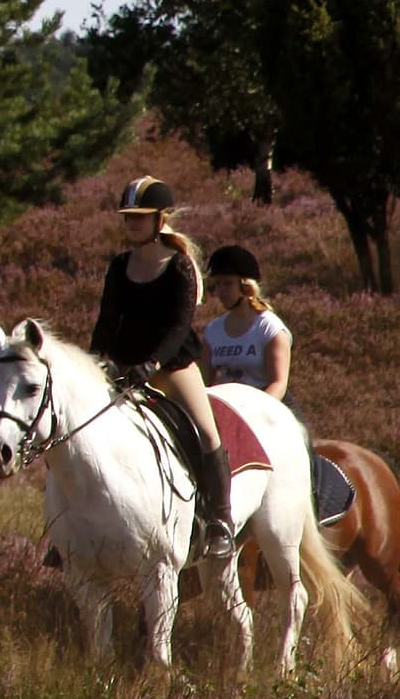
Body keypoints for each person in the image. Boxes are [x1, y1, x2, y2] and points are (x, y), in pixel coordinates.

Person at [91, 175, 232, 562]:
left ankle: (220, 521)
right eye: (128, 217)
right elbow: (106, 321)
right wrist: (96, 358)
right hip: (123, 367)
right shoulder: (120, 266)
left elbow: (177, 327)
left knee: (206, 433)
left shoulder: (180, 267)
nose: (132, 223)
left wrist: (152, 364)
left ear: (159, 219)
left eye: (140, 216)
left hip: (172, 366)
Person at [198, 245, 295, 404]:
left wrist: (251, 413)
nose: (221, 291)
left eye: (228, 284)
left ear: (246, 286)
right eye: (218, 284)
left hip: (268, 407)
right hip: (229, 407)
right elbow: (204, 382)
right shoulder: (212, 331)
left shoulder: (270, 329)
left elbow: (278, 383)